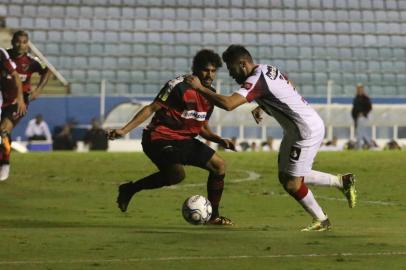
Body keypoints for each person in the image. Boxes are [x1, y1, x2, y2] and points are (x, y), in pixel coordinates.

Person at [185, 44, 357, 231]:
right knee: (286, 176)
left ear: (243, 64)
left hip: (305, 131)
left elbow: (228, 104)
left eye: (231, 68)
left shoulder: (256, 78)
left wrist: (200, 88)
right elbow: (287, 85)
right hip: (296, 130)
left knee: (292, 183)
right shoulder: (267, 68)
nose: (231, 74)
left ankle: (322, 220)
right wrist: (265, 105)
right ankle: (341, 182)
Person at [107, 49, 235, 225]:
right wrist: (124, 130)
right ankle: (130, 189)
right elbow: (152, 108)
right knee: (177, 174)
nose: (209, 74)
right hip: (159, 137)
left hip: (185, 141)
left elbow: (201, 127)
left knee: (219, 166)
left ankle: (214, 216)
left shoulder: (209, 94)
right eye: (206, 70)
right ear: (196, 69)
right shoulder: (177, 85)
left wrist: (218, 140)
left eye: (213, 71)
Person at [0, 30, 52, 180]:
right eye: (18, 41)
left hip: (18, 103)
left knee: (3, 130)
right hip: (3, 99)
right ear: (12, 42)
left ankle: (5, 164)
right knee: (3, 135)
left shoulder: (31, 61)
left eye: (24, 42)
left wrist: (38, 90)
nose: (21, 45)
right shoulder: (5, 57)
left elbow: (47, 70)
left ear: (27, 44)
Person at [0, 47, 26, 181]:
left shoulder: (1, 54)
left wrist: (20, 98)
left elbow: (16, 76)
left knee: (3, 131)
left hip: (10, 101)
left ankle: (5, 163)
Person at [351, 83, 373, 149]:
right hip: (356, 118)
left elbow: (369, 107)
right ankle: (370, 144)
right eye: (358, 88)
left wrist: (363, 113)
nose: (359, 90)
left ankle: (359, 146)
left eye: (360, 88)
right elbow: (354, 109)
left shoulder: (365, 98)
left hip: (362, 117)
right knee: (362, 132)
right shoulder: (356, 98)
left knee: (359, 132)